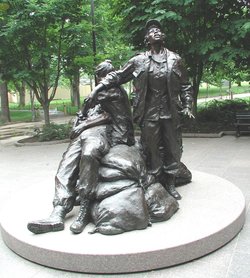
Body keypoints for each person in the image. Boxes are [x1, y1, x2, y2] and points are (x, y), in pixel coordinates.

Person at [88, 20, 194, 200]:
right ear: (147, 39)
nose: (157, 32)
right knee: (150, 148)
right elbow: (118, 76)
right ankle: (154, 180)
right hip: (149, 113)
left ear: (164, 36)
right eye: (152, 31)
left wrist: (188, 106)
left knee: (172, 148)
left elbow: (185, 86)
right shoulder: (139, 61)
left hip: (171, 113)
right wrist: (98, 88)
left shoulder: (175, 60)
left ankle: (170, 182)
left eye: (159, 30)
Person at [27, 60, 135, 234]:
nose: (103, 80)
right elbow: (84, 111)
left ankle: (84, 208)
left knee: (89, 153)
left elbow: (106, 114)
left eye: (106, 76)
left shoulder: (112, 91)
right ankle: (58, 211)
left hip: (102, 132)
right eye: (102, 76)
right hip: (85, 133)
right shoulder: (99, 93)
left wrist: (83, 124)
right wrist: (80, 121)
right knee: (67, 161)